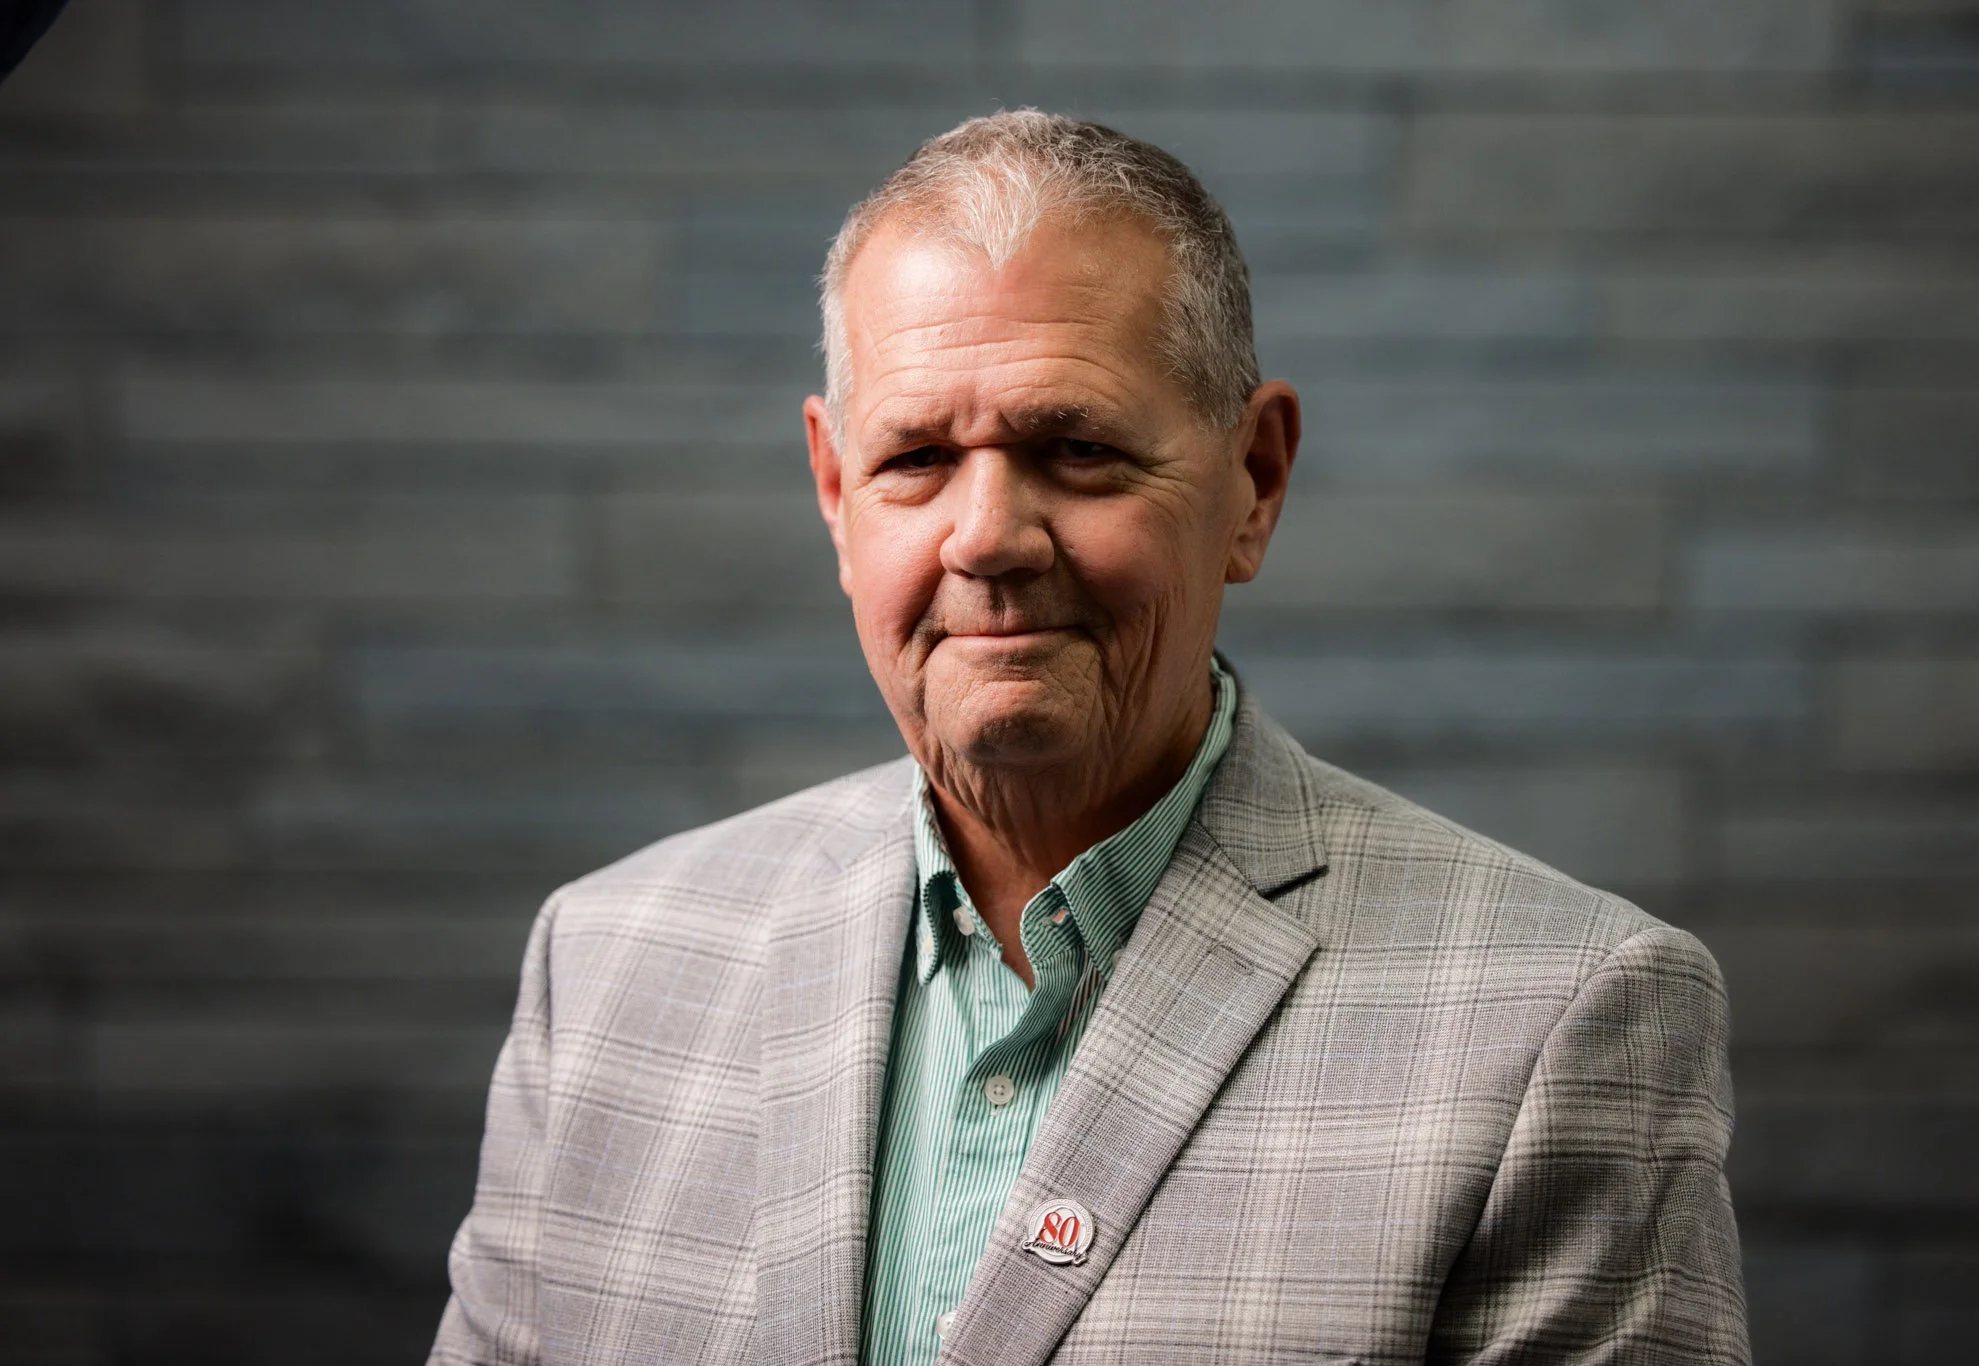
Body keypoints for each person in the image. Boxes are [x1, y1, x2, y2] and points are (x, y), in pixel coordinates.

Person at [429, 111, 1747, 1366]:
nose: (987, 535)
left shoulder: (1560, 1018)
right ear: (837, 494)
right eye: (916, 459)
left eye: (1076, 447)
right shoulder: (607, 972)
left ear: (1256, 482)